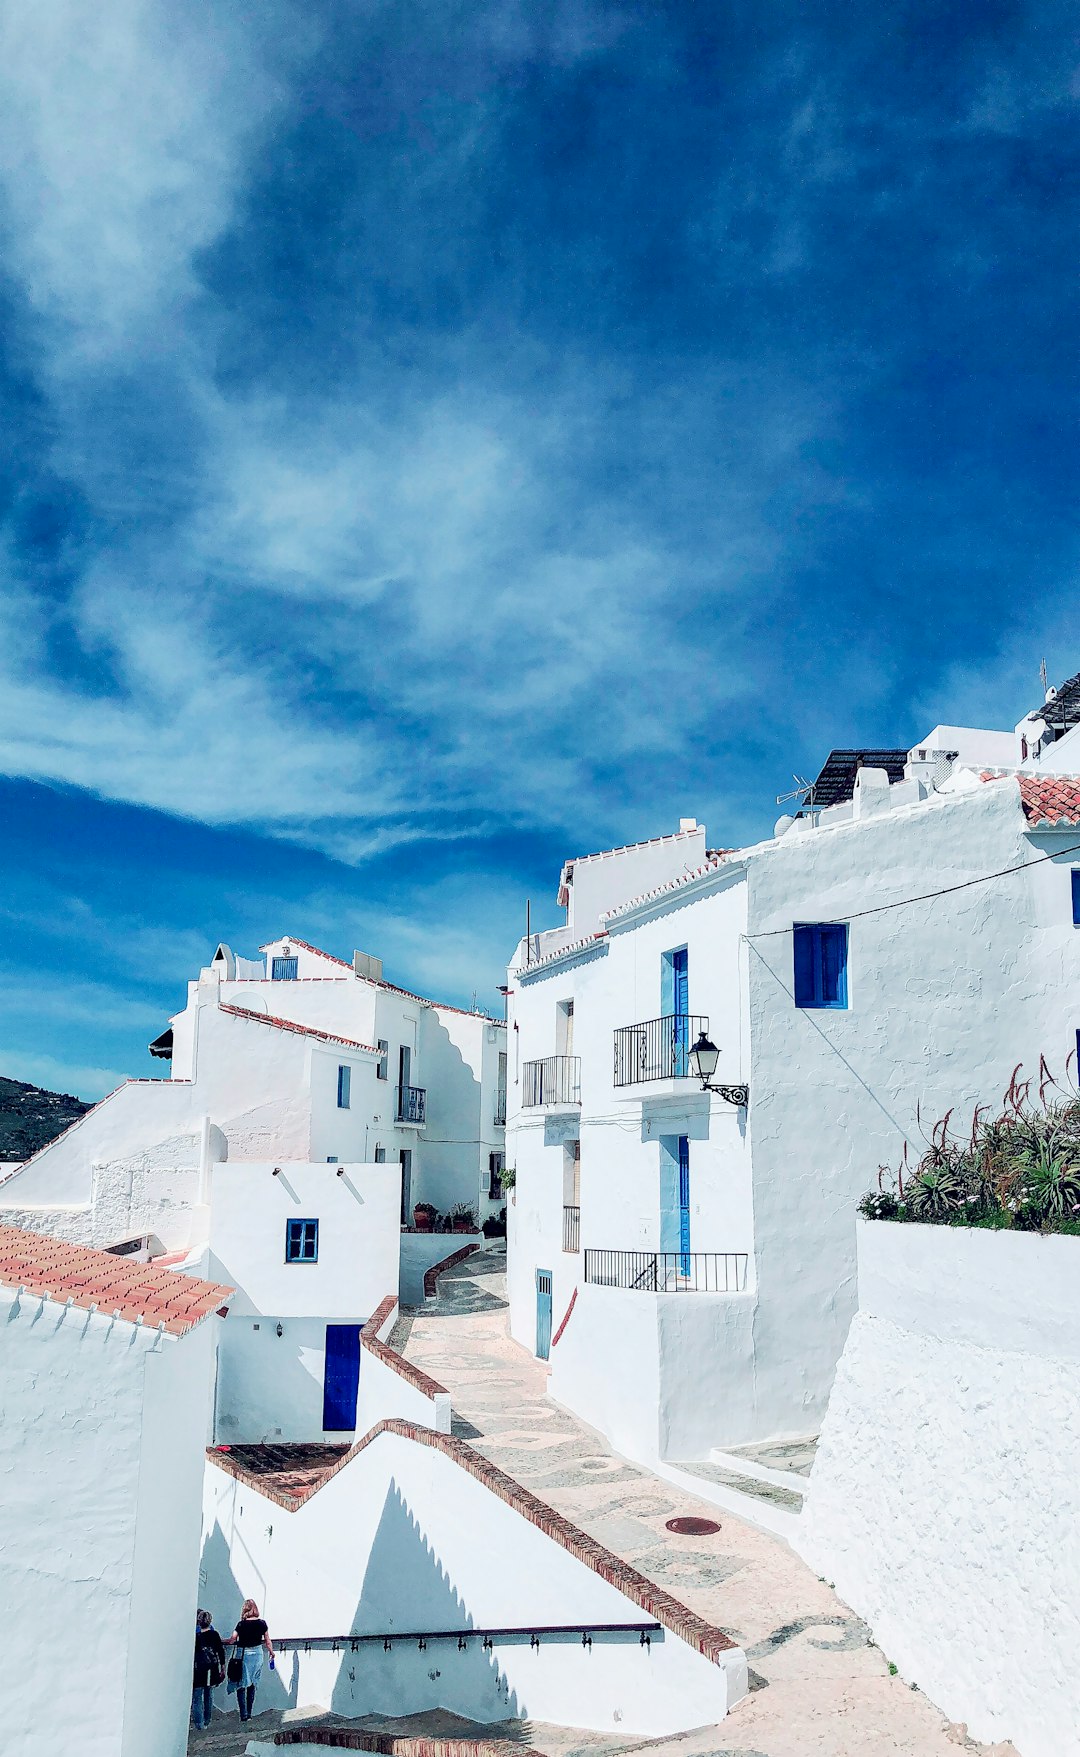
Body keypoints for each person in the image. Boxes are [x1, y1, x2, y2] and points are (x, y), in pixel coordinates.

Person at [225, 1598, 275, 1723]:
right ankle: (250, 1713)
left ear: (245, 1610)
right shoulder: (262, 1623)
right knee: (253, 1684)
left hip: (244, 1655)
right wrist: (271, 1652)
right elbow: (268, 1641)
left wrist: (222, 1640)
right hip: (257, 1654)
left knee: (241, 1684)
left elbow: (232, 1640)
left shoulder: (241, 1624)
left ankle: (243, 1714)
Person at [191, 1610, 226, 1730]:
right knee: (209, 1695)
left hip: (199, 1669)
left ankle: (199, 1724)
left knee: (197, 1697)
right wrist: (223, 1666)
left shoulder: (195, 1637)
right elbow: (220, 1651)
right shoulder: (214, 1634)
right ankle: (207, 1720)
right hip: (212, 1668)